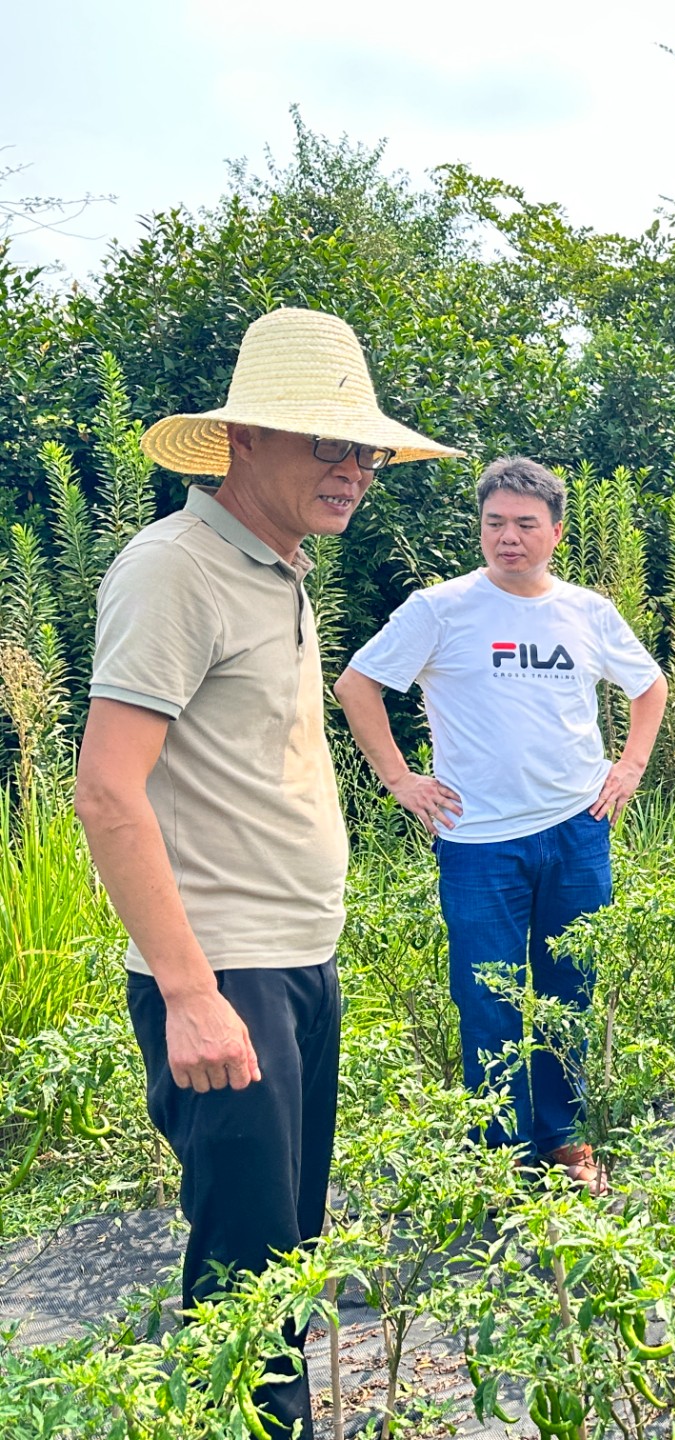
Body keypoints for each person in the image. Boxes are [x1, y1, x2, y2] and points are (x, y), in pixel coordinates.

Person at [74, 307, 461, 1437]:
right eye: (325, 445)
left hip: (292, 963)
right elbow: (108, 790)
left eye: (366, 451)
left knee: (285, 1261)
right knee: (245, 1285)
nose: (353, 472)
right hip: (226, 972)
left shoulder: (277, 566)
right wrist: (190, 993)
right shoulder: (174, 570)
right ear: (241, 441)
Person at [335, 457, 665, 1195]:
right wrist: (400, 780)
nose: (507, 538)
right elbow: (357, 685)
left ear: (554, 531)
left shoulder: (586, 611)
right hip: (479, 842)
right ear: (479, 529)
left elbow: (649, 686)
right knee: (486, 998)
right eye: (494, 524)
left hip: (577, 830)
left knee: (568, 991)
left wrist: (630, 768)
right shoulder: (440, 608)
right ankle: (500, 1158)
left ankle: (564, 1141)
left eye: (523, 524)